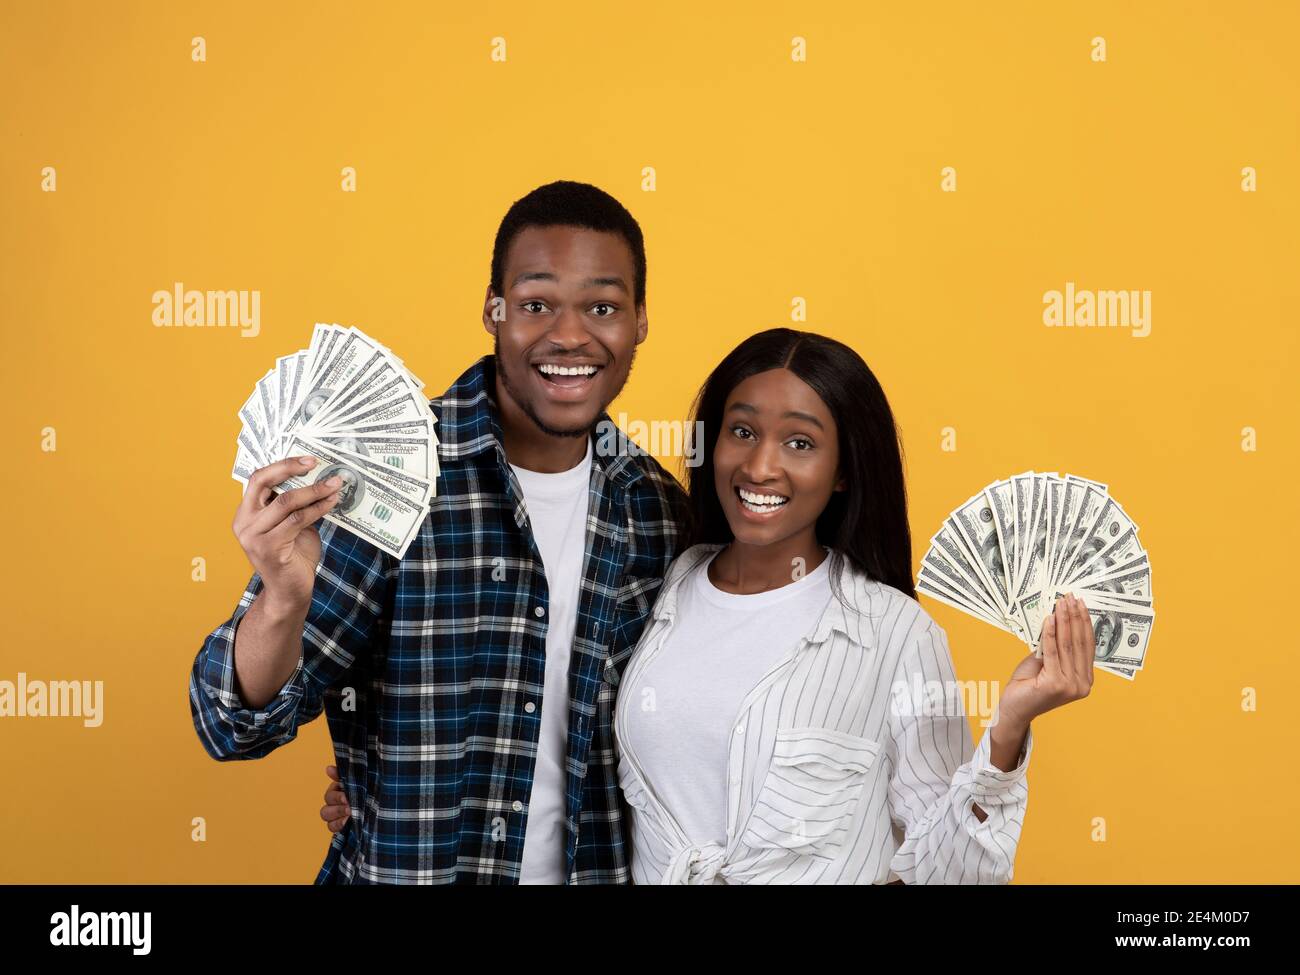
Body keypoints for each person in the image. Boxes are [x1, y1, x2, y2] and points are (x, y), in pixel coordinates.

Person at [323, 328, 1098, 883]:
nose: (761, 463)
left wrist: (1007, 732)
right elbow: (555, 721)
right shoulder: (660, 580)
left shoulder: (895, 635)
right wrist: (373, 782)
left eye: (800, 442)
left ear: (843, 472)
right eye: (741, 430)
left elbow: (951, 875)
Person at [189, 180, 689, 884]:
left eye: (601, 307)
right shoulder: (389, 477)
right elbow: (232, 724)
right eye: (536, 303)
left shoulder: (656, 510)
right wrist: (280, 599)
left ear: (639, 320)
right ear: (494, 311)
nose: (570, 334)